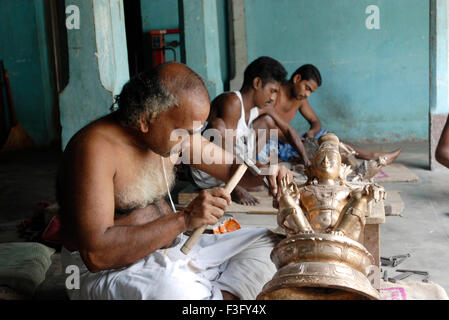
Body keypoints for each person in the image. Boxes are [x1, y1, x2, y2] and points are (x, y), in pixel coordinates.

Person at [57, 62, 291, 300]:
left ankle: (214, 296)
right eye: (186, 132)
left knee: (273, 244)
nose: (191, 141)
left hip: (173, 249)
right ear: (146, 119)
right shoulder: (95, 149)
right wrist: (185, 218)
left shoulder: (174, 134)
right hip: (110, 271)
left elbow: (235, 169)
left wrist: (266, 173)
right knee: (174, 290)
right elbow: (97, 255)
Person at [190, 57, 310, 206]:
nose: (273, 98)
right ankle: (234, 185)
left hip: (235, 165)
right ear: (257, 83)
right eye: (272, 91)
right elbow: (226, 153)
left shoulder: (263, 106)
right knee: (219, 126)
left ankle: (243, 176)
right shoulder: (232, 102)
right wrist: (236, 187)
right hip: (210, 172)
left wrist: (306, 161)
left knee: (267, 122)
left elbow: (287, 129)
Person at [254, 64, 403, 166]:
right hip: (270, 141)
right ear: (297, 79)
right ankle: (289, 161)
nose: (307, 94)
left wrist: (312, 133)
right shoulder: (275, 93)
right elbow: (266, 124)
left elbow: (315, 121)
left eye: (310, 91)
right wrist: (296, 140)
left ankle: (373, 156)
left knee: (325, 136)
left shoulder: (300, 99)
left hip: (291, 141)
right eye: (307, 88)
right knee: (267, 157)